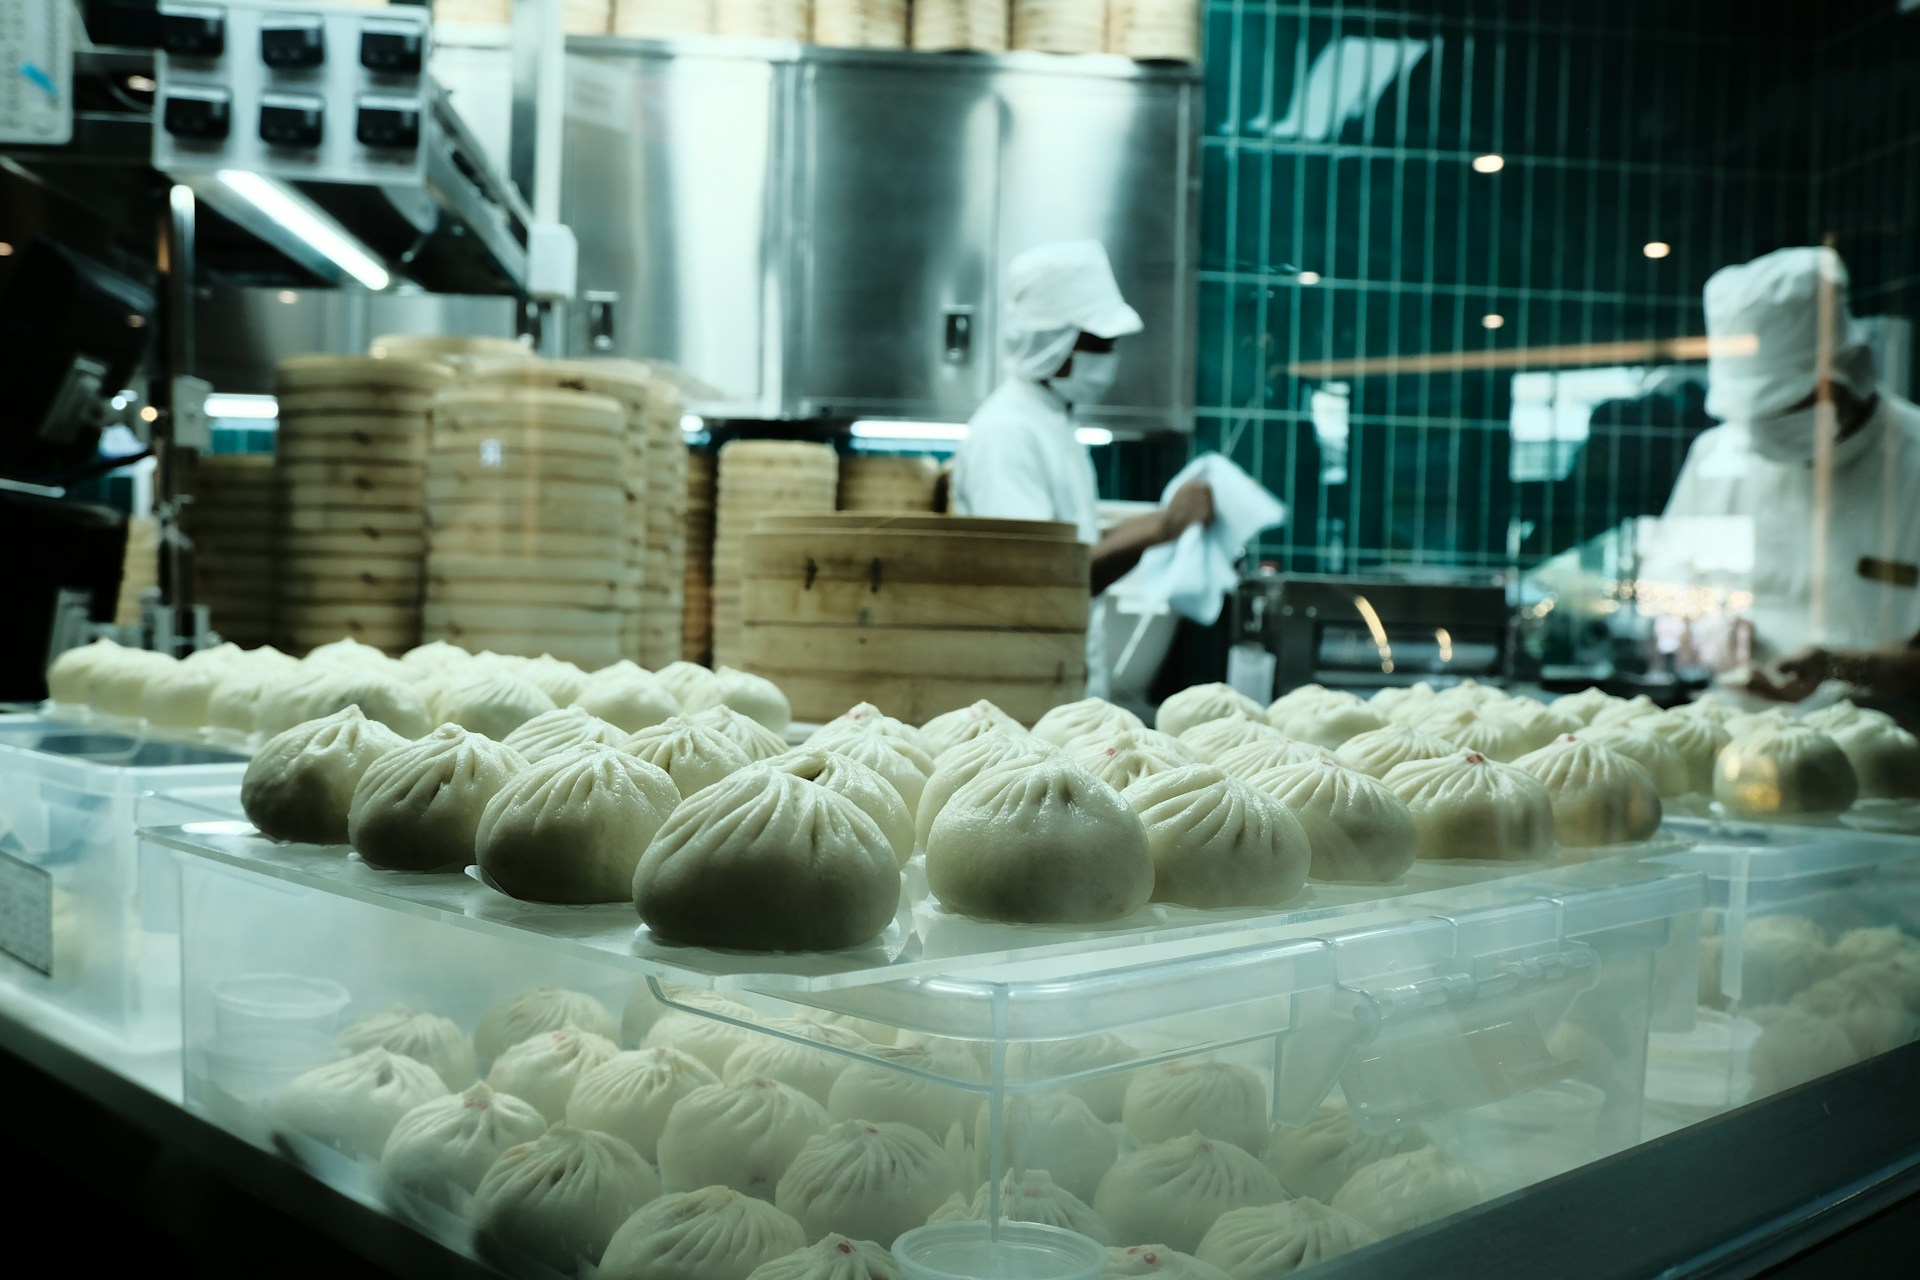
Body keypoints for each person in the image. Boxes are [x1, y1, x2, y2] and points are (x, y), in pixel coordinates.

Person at [1640, 246, 1920, 703]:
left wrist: (1839, 665)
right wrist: (1707, 629)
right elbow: (1664, 593)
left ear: (1844, 372)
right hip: (1727, 737)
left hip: (1877, 755)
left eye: (1779, 413)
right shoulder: (1718, 452)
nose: (1758, 438)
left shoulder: (1913, 461)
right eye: (1749, 419)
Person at [953, 242, 1214, 696]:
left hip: (1061, 688)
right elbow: (1043, 581)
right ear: (1052, 341)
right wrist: (1162, 526)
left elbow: (1075, 550)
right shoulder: (1007, 435)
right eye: (1097, 343)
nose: (1108, 356)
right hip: (1026, 699)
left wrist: (1164, 522)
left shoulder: (1051, 420)